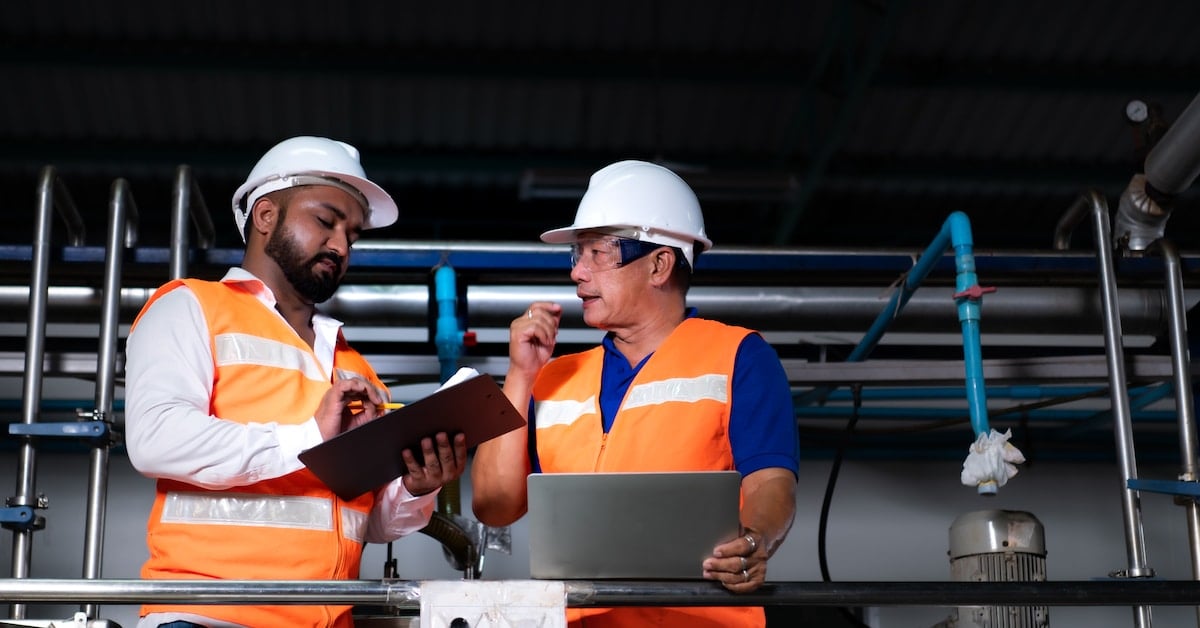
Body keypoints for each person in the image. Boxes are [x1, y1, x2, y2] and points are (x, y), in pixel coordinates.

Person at [124, 136, 468, 628]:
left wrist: (415, 488)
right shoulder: (192, 307)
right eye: (325, 221)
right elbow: (155, 439)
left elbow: (367, 525)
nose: (341, 244)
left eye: (352, 233)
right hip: (209, 617)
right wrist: (311, 437)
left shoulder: (356, 368)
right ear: (266, 216)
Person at [471, 159, 799, 627]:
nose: (577, 274)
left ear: (660, 264)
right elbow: (494, 505)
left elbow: (771, 483)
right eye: (576, 255)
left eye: (597, 253)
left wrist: (755, 542)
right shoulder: (553, 377)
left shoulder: (738, 356)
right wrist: (520, 375)